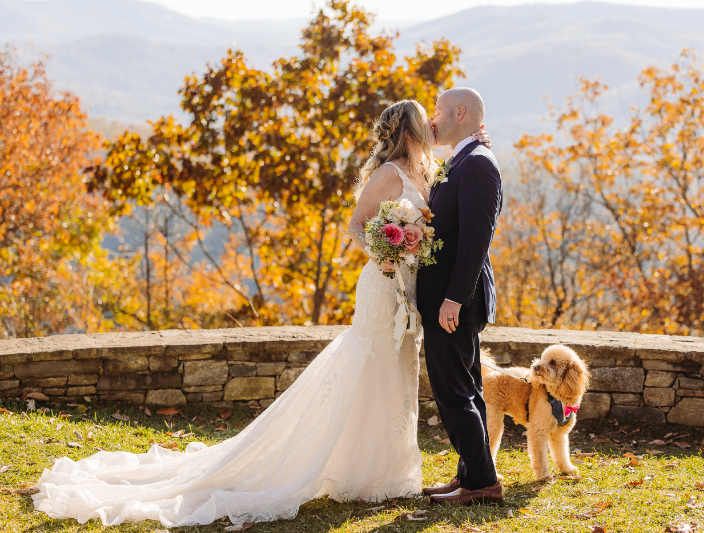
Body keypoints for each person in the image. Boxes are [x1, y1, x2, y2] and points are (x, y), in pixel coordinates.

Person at [32, 99, 491, 527]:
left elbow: (448, 217)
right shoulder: (388, 173)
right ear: (410, 130)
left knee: (397, 372)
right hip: (383, 285)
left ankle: (386, 471)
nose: (433, 125)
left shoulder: (432, 171)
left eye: (438, 116)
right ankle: (351, 469)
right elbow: (358, 224)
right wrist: (383, 250)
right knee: (368, 365)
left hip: (410, 293)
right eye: (425, 120)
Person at [417, 87, 505, 504]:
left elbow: (475, 242)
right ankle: (471, 473)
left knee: (454, 392)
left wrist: (452, 298)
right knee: (466, 388)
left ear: (461, 112)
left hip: (455, 303)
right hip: (451, 300)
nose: (432, 120)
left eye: (437, 111)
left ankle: (482, 484)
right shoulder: (463, 160)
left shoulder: (478, 165)